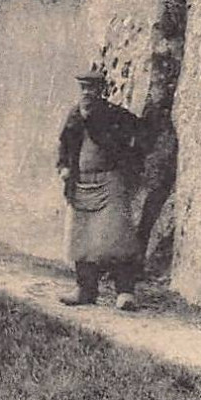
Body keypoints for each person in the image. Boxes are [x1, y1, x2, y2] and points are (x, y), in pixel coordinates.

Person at [57, 64, 147, 310]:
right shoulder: (74, 115)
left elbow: (140, 135)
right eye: (84, 88)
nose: (87, 93)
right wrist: (64, 167)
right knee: (81, 239)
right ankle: (85, 290)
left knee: (118, 239)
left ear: (102, 91)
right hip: (81, 184)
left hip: (111, 182)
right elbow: (64, 145)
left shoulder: (115, 115)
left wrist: (129, 165)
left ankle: (125, 292)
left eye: (93, 89)